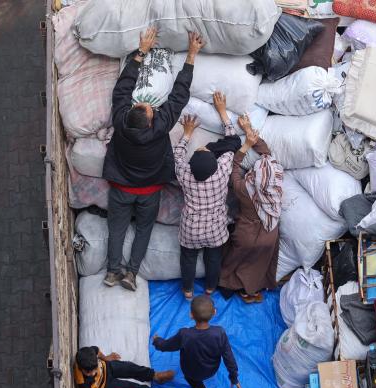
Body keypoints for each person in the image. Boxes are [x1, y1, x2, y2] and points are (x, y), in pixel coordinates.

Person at [102, 28, 205, 292]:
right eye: (149, 108)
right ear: (149, 121)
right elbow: (179, 95)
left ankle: (113, 272)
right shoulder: (159, 127)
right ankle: (131, 273)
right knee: (144, 230)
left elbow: (124, 87)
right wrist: (191, 54)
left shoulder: (121, 119)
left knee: (117, 229)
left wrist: (141, 52)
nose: (150, 105)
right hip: (149, 190)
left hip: (120, 188)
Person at [174, 92, 241, 299]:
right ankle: (211, 288)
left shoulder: (185, 174)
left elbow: (177, 155)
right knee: (214, 259)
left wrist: (187, 134)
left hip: (191, 230)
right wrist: (222, 111)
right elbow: (231, 141)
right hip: (215, 230)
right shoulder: (222, 171)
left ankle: (187, 290)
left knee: (188, 259)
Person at [219, 114, 283, 303]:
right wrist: (249, 131)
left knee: (232, 259)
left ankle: (229, 285)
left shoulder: (244, 189)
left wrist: (246, 145)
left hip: (246, 233)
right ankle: (252, 290)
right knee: (258, 265)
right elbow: (267, 155)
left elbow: (233, 167)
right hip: (269, 233)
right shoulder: (276, 184)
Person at [153, 295, 239, 388]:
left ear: (191, 315)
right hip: (211, 370)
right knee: (199, 380)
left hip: (191, 372)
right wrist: (234, 378)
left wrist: (157, 341)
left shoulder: (185, 334)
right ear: (214, 312)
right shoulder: (220, 333)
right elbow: (229, 358)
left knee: (196, 384)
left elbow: (166, 346)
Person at [74, 345, 176, 388]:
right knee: (129, 387)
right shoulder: (82, 382)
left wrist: (106, 358)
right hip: (104, 386)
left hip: (107, 367)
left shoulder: (90, 352)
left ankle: (155, 376)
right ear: (81, 368)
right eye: (88, 373)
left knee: (129, 367)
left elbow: (97, 351)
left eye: (94, 369)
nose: (92, 373)